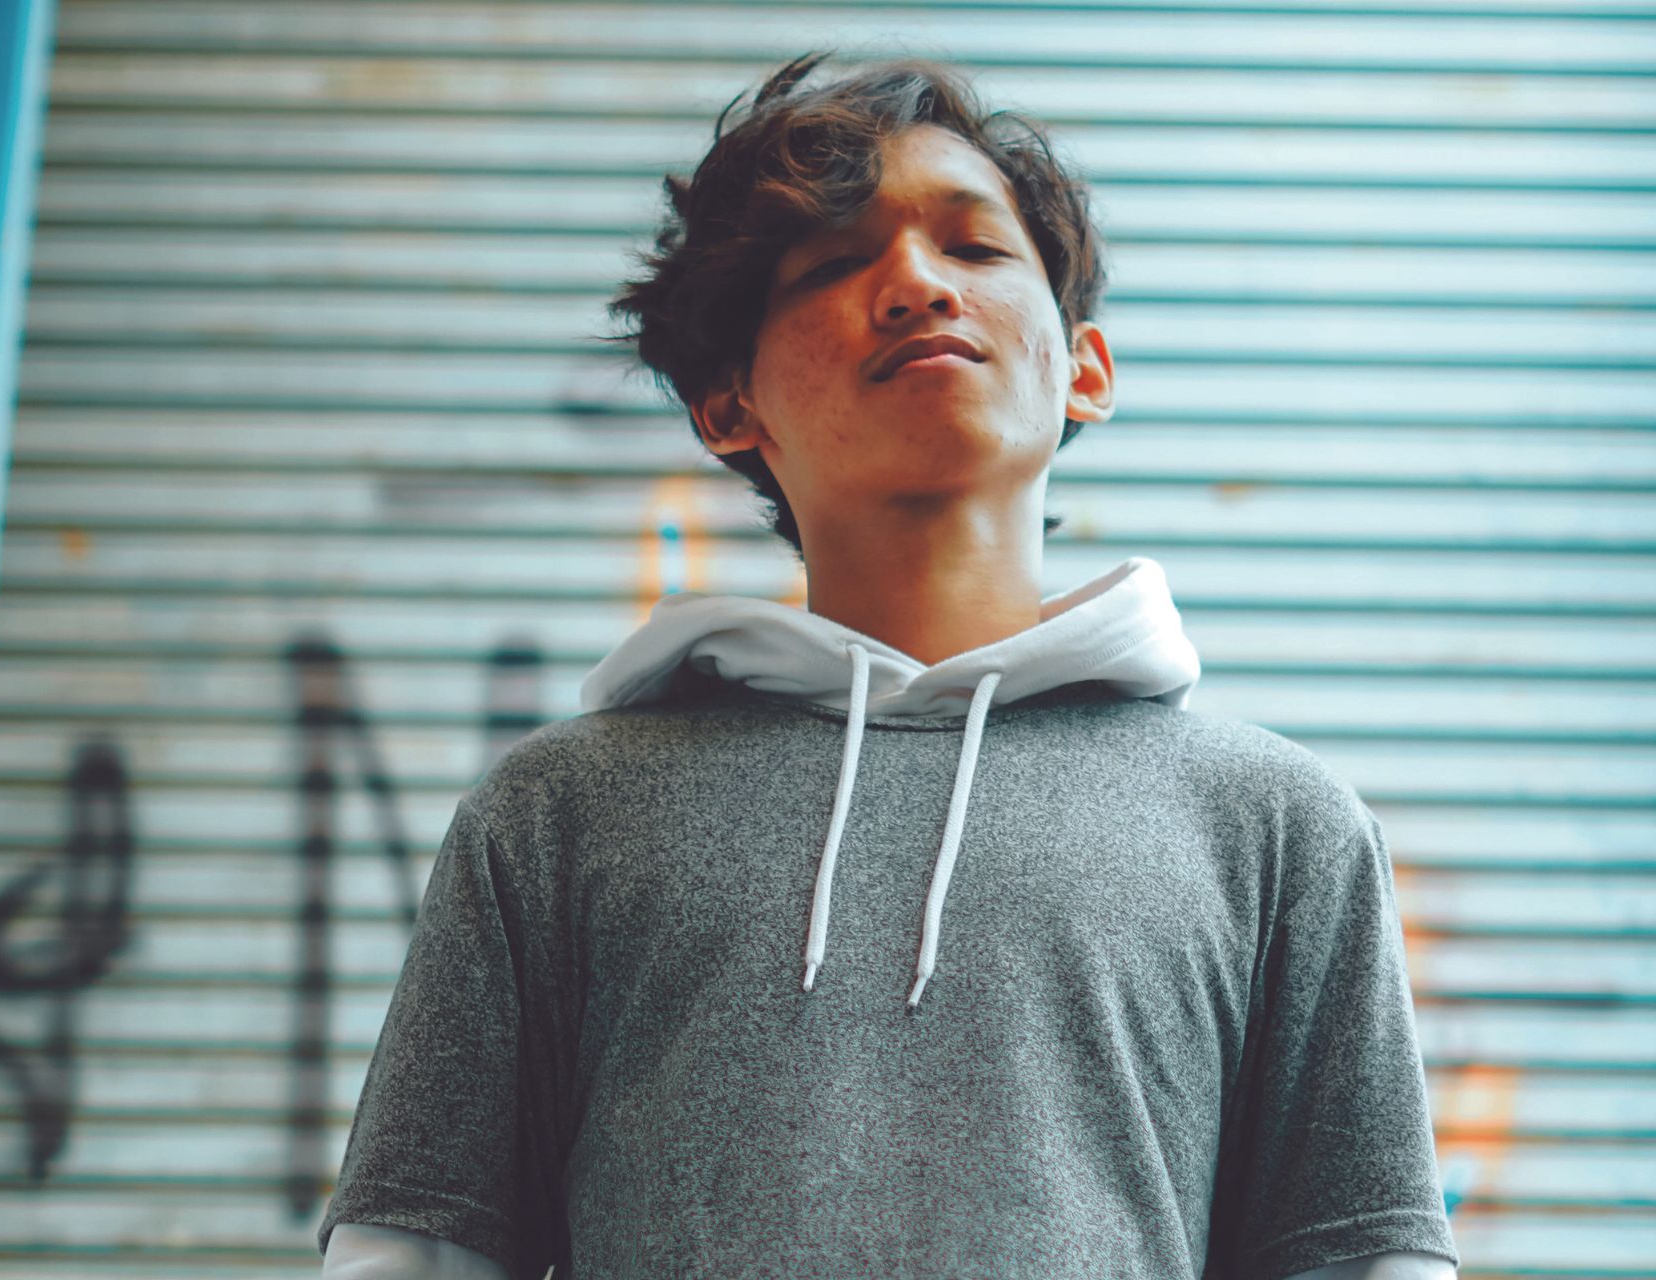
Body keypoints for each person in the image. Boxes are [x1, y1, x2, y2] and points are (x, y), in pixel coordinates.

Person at [317, 50, 1461, 1280]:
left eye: (974, 249)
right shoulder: (556, 814)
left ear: (1085, 369)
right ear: (726, 406)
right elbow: (416, 1253)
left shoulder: (1278, 826)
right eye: (833, 264)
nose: (915, 282)